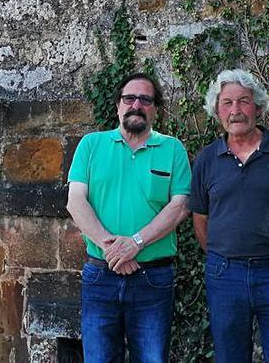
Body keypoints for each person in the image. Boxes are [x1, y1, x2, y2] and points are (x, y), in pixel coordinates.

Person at [188, 69, 269, 363]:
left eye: (243, 101)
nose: (235, 111)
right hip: (225, 276)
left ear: (258, 107)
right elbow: (200, 221)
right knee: (229, 357)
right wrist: (222, 257)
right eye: (227, 103)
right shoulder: (206, 160)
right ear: (217, 110)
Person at [66, 72, 192, 363]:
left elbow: (181, 205)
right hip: (100, 276)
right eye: (129, 98)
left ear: (155, 110)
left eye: (145, 99)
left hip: (153, 277)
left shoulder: (173, 149)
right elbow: (75, 201)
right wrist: (113, 249)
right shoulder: (91, 145)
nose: (136, 104)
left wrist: (135, 243)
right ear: (118, 106)